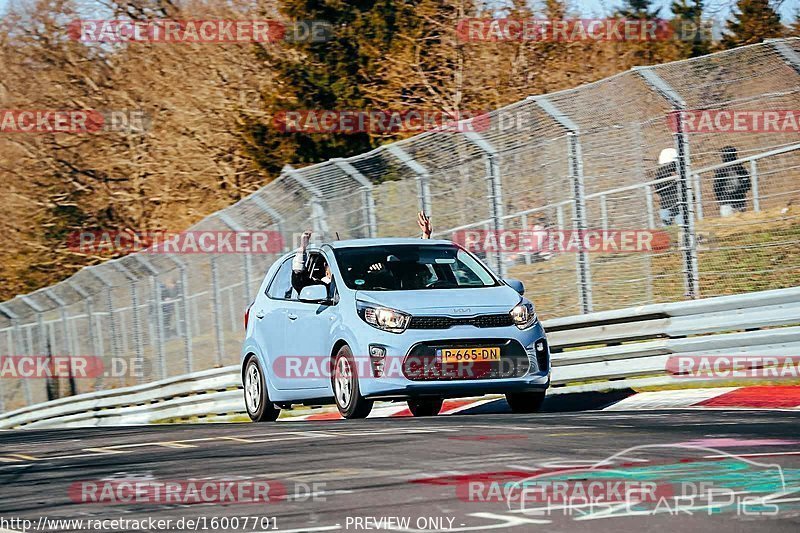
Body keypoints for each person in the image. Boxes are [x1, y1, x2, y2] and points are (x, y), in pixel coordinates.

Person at [291, 211, 433, 295]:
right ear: (325, 267)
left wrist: (425, 238)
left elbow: (409, 265)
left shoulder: (376, 278)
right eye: (333, 265)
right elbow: (298, 276)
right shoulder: (319, 286)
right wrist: (303, 248)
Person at [713, 146, 751, 217]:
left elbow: (748, 185)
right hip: (728, 201)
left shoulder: (740, 169)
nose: (723, 157)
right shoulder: (722, 170)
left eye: (724, 155)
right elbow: (717, 187)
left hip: (738, 200)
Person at [653, 148, 680, 226]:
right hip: (678, 202)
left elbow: (657, 188)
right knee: (682, 225)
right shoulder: (677, 172)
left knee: (666, 228)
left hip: (665, 204)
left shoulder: (659, 173)